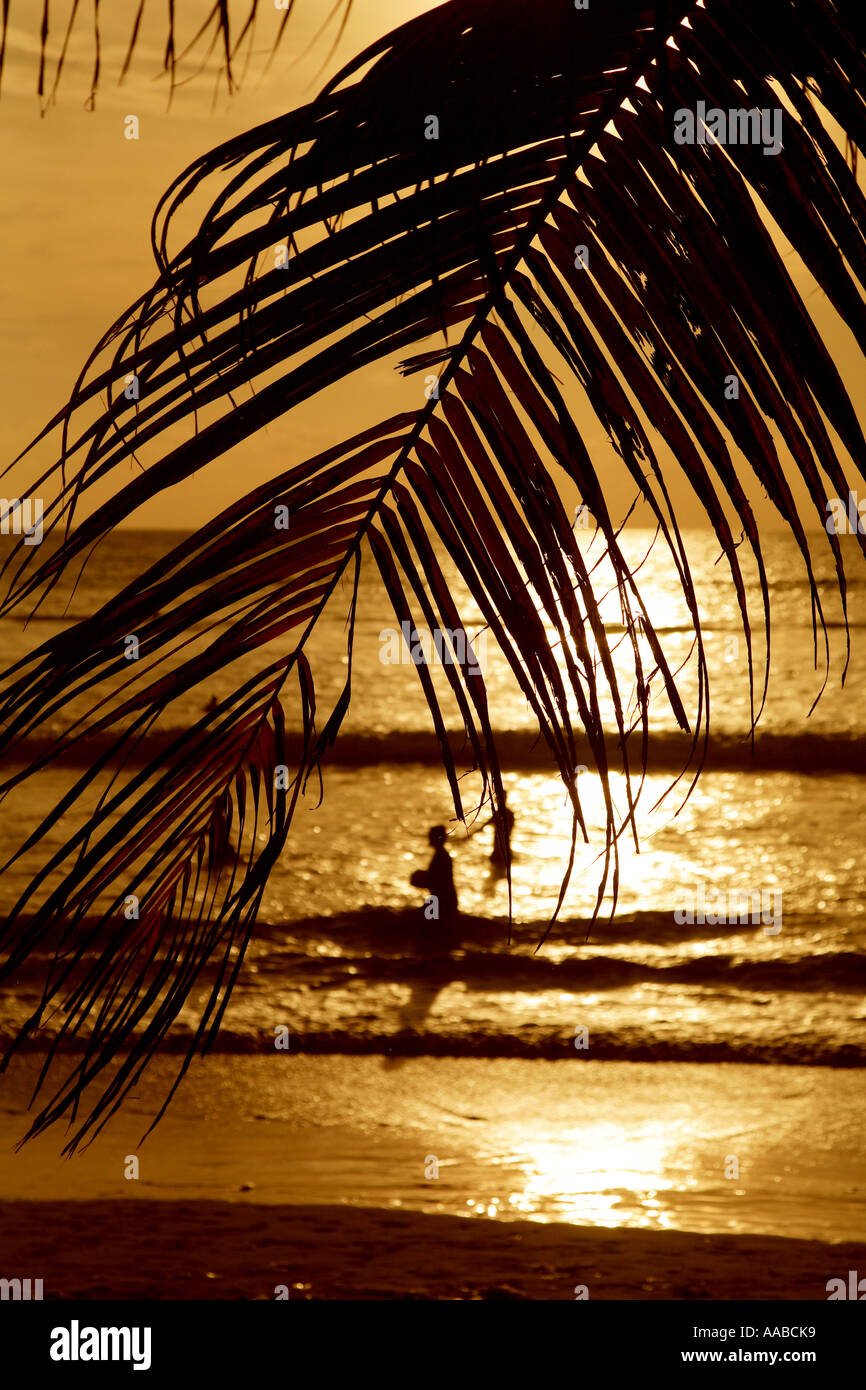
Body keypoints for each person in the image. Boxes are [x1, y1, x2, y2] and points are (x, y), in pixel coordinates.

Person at [410, 825, 458, 925]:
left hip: (443, 903)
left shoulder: (441, 857)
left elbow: (436, 881)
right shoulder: (441, 855)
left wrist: (419, 878)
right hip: (442, 901)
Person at [476, 793, 515, 870]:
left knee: (496, 867)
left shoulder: (497, 814)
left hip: (498, 847)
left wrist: (466, 837)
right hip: (506, 847)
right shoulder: (510, 814)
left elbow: (482, 827)